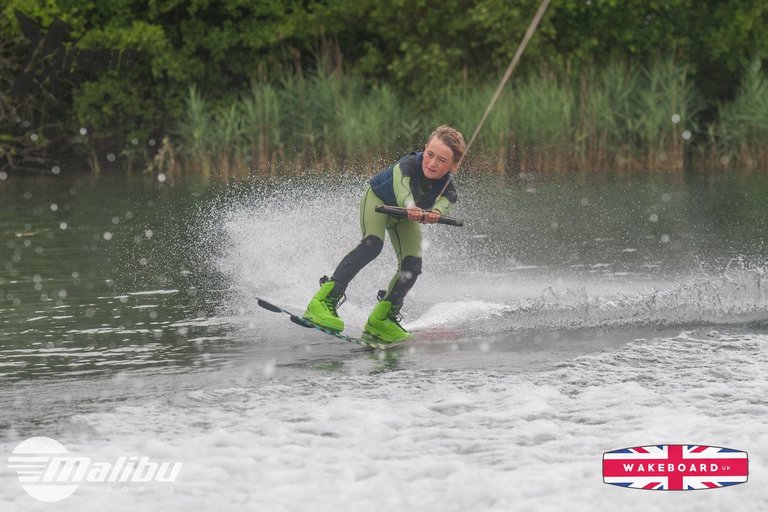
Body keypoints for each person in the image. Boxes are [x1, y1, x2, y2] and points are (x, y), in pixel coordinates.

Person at [303, 125, 465, 344]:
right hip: (378, 202)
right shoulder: (407, 165)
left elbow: (445, 205)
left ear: (454, 166)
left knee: (412, 267)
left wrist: (435, 213)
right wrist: (411, 205)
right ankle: (322, 302)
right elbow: (401, 188)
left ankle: (381, 319)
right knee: (372, 245)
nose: (432, 163)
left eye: (442, 160)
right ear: (425, 149)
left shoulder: (449, 189)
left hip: (404, 218)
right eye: (430, 154)